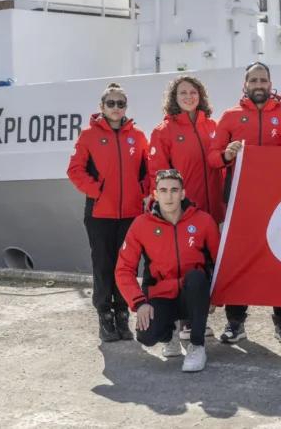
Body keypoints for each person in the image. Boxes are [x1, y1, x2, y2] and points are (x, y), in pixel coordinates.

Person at [209, 61, 281, 344]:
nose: (259, 85)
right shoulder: (230, 116)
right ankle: (236, 322)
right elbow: (213, 157)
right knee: (240, 261)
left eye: (263, 81)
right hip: (240, 201)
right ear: (245, 85)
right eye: (253, 81)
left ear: (270, 84)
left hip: (277, 201)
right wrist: (227, 154)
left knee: (280, 259)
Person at [66, 83, 150, 343]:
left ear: (126, 106)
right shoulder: (89, 135)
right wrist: (98, 192)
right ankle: (105, 315)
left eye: (120, 103)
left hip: (131, 214)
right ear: (101, 107)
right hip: (100, 214)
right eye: (111, 103)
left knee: (126, 266)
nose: (116, 108)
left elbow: (149, 170)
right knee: (103, 265)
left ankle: (122, 314)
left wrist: (141, 191)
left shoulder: (137, 136)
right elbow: (75, 170)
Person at [115, 169, 220, 373]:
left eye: (174, 190)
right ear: (155, 194)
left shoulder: (203, 221)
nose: (169, 196)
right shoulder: (141, 225)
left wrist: (217, 296)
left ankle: (197, 346)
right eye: (163, 190)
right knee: (146, 335)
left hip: (193, 294)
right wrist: (139, 303)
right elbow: (123, 269)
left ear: (183, 194)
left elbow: (221, 262)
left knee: (197, 277)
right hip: (161, 293)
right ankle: (169, 333)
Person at [148, 75, 224, 342]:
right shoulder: (163, 131)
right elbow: (156, 174)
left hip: (212, 209)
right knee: (184, 264)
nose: (189, 96)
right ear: (174, 98)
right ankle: (186, 321)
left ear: (200, 96)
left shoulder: (213, 127)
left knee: (207, 264)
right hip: (184, 211)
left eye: (194, 92)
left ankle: (200, 317)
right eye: (183, 92)